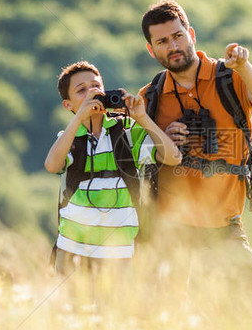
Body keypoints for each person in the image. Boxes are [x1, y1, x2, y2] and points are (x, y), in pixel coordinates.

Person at [138, 0, 252, 318]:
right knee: (168, 313)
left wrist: (243, 65)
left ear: (191, 34)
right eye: (162, 41)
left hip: (223, 221)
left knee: (247, 299)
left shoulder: (228, 77)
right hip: (170, 224)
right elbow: (140, 157)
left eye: (177, 36)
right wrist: (164, 140)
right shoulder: (151, 96)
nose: (172, 46)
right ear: (151, 50)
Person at [44, 61, 182, 299]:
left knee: (116, 319)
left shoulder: (128, 131)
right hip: (72, 248)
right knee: (74, 317)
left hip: (120, 250)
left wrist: (142, 118)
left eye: (96, 86)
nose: (91, 93)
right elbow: (52, 165)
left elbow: (173, 157)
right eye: (81, 90)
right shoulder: (68, 138)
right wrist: (79, 119)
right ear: (68, 105)